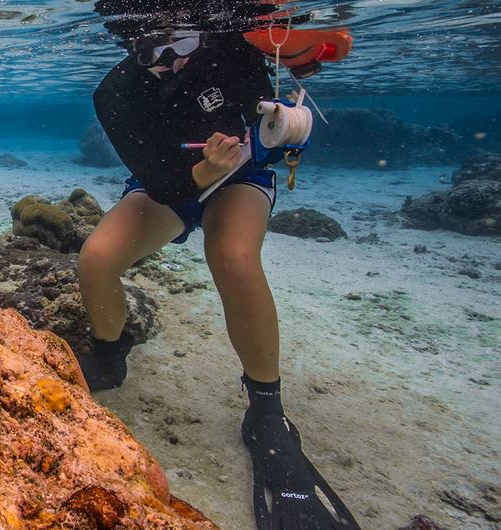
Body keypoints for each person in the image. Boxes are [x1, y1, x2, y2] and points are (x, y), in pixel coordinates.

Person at [75, 27, 360, 529]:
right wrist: (202, 172)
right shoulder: (115, 92)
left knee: (233, 258)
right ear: (129, 47)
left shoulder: (232, 49)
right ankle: (108, 355)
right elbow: (161, 183)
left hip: (242, 174)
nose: (167, 59)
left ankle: (267, 407)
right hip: (171, 184)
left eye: (179, 43)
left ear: (201, 35)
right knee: (96, 259)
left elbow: (282, 97)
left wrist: (285, 123)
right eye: (149, 50)